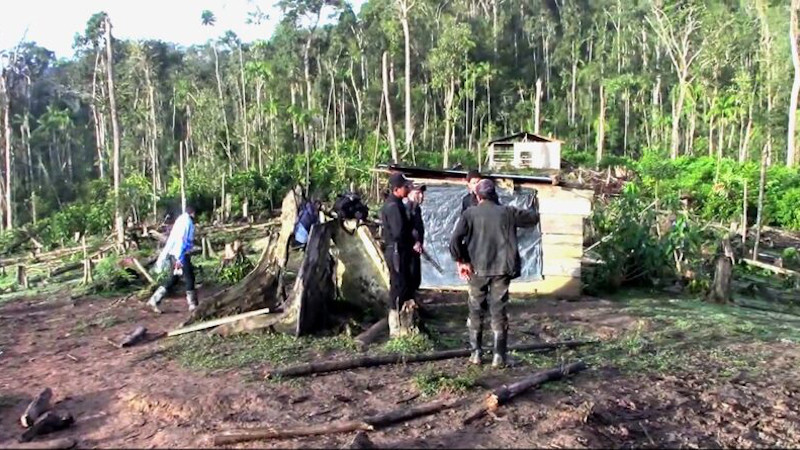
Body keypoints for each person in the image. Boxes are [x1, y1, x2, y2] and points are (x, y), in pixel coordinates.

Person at [449, 179, 540, 368]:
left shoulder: (469, 214)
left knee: (475, 308)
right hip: (502, 269)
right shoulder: (507, 212)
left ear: (477, 195)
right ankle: (499, 357)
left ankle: (476, 354)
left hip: (477, 268)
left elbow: (455, 240)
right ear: (494, 194)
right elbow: (532, 218)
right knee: (498, 310)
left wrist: (462, 260)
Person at [380, 172, 414, 336]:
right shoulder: (393, 207)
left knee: (404, 284)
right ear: (396, 189)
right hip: (396, 251)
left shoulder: (399, 204)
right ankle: (395, 326)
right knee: (398, 286)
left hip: (399, 250)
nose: (408, 189)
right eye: (405, 187)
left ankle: (404, 323)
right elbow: (399, 232)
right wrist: (411, 234)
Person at [148, 206, 198, 314]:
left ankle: (154, 300)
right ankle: (193, 305)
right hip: (180, 255)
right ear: (193, 213)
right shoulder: (187, 222)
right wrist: (181, 255)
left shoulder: (180, 220)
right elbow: (182, 239)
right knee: (189, 278)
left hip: (175, 254)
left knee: (174, 279)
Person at [405, 182, 426, 299]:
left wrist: (420, 242)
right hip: (409, 250)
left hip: (416, 250)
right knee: (410, 277)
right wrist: (414, 242)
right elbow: (405, 229)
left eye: (422, 193)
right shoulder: (407, 208)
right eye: (418, 193)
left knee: (415, 278)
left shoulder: (416, 209)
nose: (421, 196)